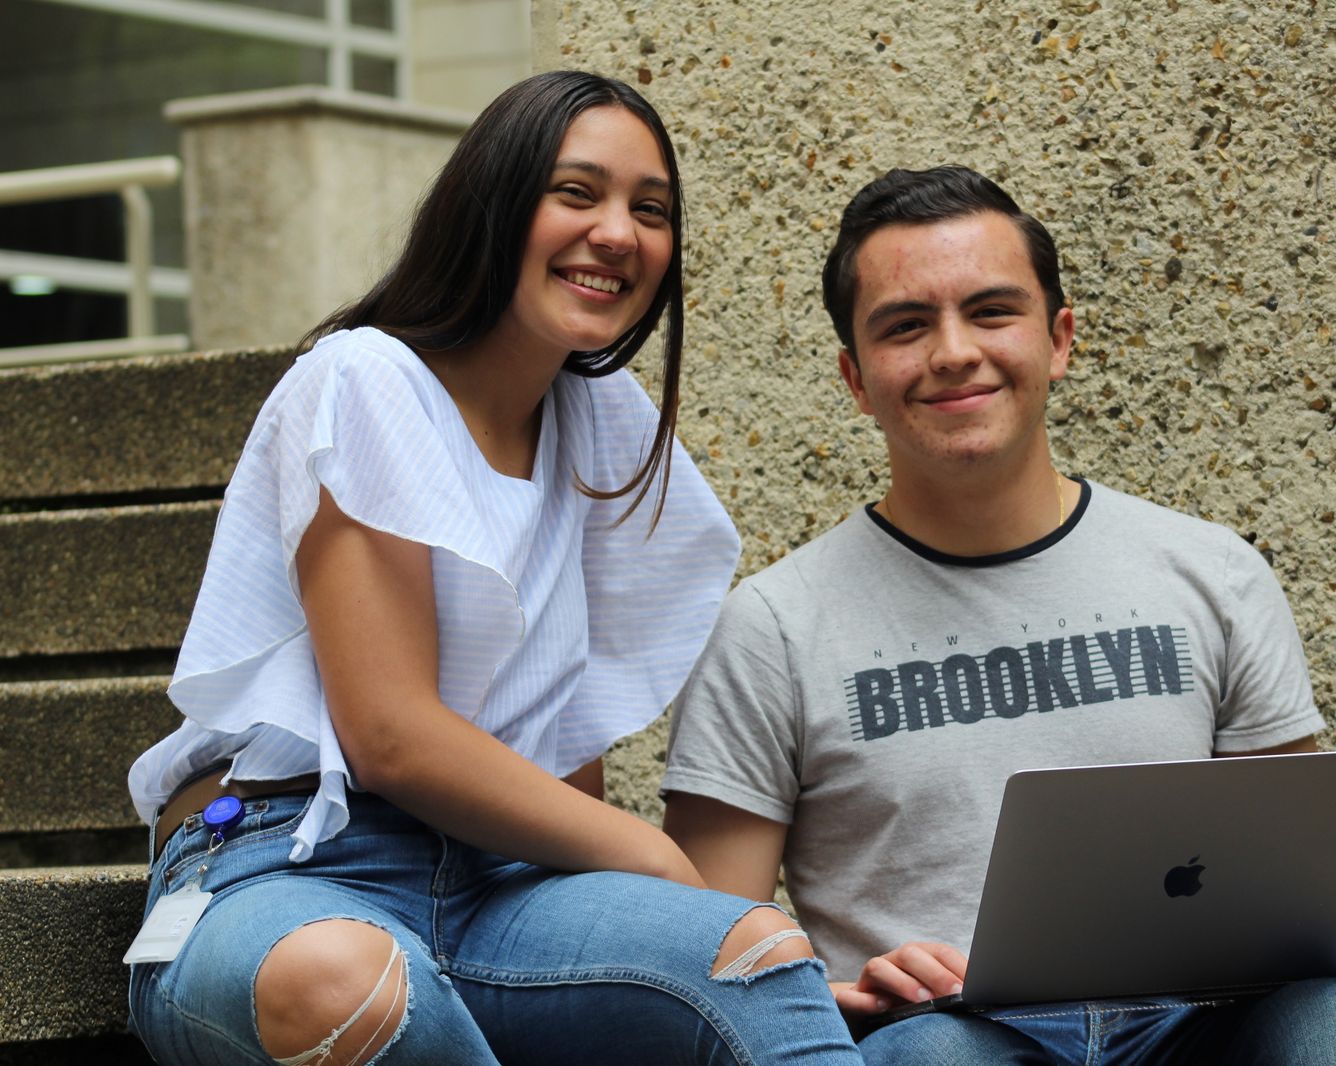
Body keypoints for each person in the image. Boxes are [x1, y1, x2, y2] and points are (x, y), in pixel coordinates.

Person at [125, 71, 862, 1066]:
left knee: (754, 950)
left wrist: (646, 910)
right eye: (577, 193)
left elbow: (565, 746)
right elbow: (390, 737)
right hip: (282, 864)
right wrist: (648, 858)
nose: (619, 233)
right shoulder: (366, 379)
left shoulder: (601, 426)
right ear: (494, 202)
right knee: (348, 985)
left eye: (651, 211)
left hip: (494, 890)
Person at [662, 165, 1336, 1064]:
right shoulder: (772, 628)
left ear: (1058, 340)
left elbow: (1335, 932)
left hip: (1193, 1027)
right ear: (856, 379)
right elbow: (712, 967)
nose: (953, 352)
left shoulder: (1212, 575)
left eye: (990, 312)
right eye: (906, 326)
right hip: (940, 1037)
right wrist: (845, 998)